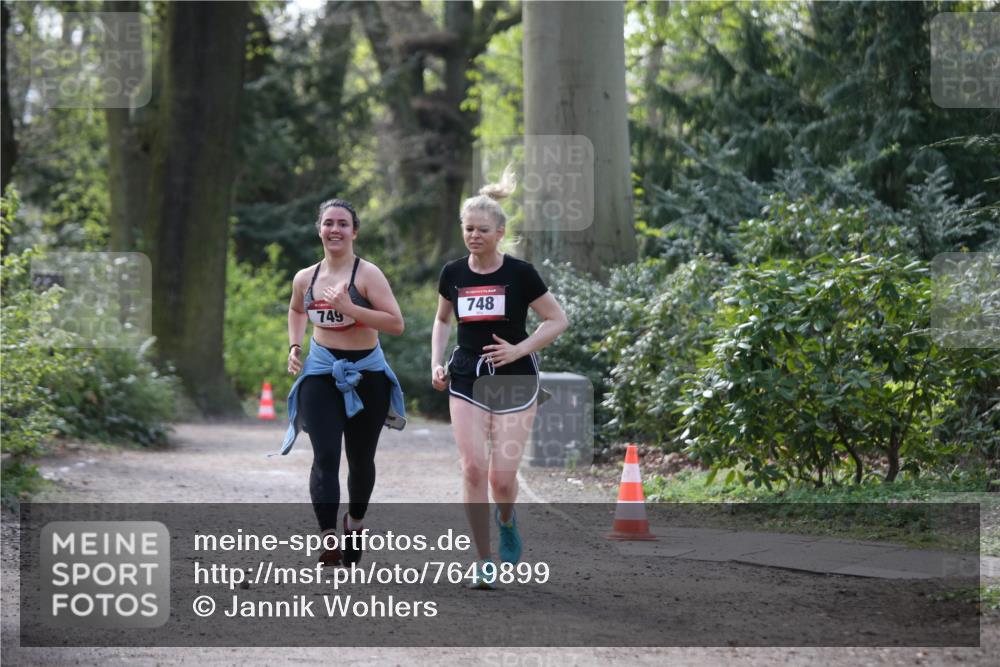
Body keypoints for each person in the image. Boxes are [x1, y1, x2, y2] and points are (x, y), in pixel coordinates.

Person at [431, 167, 569, 589]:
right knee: (473, 468)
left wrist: (519, 348)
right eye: (468, 228)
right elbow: (441, 320)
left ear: (500, 232)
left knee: (502, 479)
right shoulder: (453, 273)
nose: (474, 235)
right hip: (466, 376)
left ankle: (507, 520)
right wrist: (436, 361)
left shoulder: (521, 274)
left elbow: (557, 320)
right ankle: (482, 559)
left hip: (516, 378)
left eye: (482, 229)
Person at [281, 198, 406, 567]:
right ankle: (328, 538)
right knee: (325, 456)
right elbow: (295, 309)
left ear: (354, 231)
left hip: (367, 375)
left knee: (360, 459)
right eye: (328, 223)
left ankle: (355, 523)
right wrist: (294, 345)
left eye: (343, 224)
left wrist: (352, 309)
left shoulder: (368, 275)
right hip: (320, 373)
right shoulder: (306, 277)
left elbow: (395, 324)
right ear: (319, 228)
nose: (335, 230)